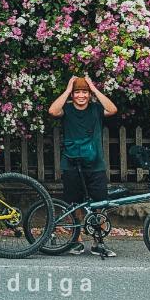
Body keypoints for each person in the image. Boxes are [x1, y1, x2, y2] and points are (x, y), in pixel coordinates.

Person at [48, 75, 118, 257]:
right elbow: (53, 111)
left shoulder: (96, 109)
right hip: (71, 164)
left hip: (95, 165)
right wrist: (67, 89)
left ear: (89, 94)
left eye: (84, 92)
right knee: (74, 205)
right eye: (77, 92)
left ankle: (98, 242)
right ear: (73, 95)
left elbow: (112, 109)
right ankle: (76, 240)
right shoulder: (68, 110)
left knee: (100, 204)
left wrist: (94, 89)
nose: (81, 96)